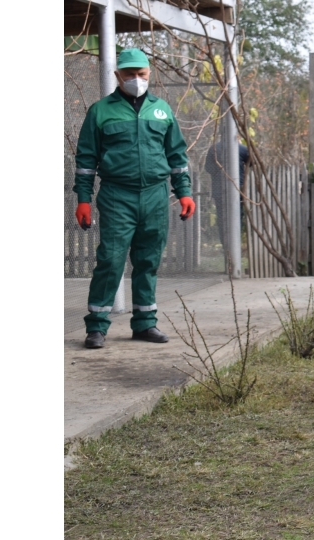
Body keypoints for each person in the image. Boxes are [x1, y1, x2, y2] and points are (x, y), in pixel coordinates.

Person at [73, 48, 195, 349]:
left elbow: (177, 156)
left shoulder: (162, 110)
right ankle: (97, 327)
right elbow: (86, 159)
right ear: (118, 76)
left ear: (149, 74)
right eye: (129, 75)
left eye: (141, 74)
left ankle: (144, 324)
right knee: (111, 260)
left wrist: (184, 192)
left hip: (155, 194)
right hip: (117, 195)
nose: (136, 80)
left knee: (148, 260)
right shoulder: (100, 111)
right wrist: (84, 199)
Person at [203, 140, 249, 250]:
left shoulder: (214, 148)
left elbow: (208, 168)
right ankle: (235, 247)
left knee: (222, 218)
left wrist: (218, 172)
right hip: (237, 189)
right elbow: (253, 162)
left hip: (219, 190)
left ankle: (226, 247)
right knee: (237, 216)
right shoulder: (242, 148)